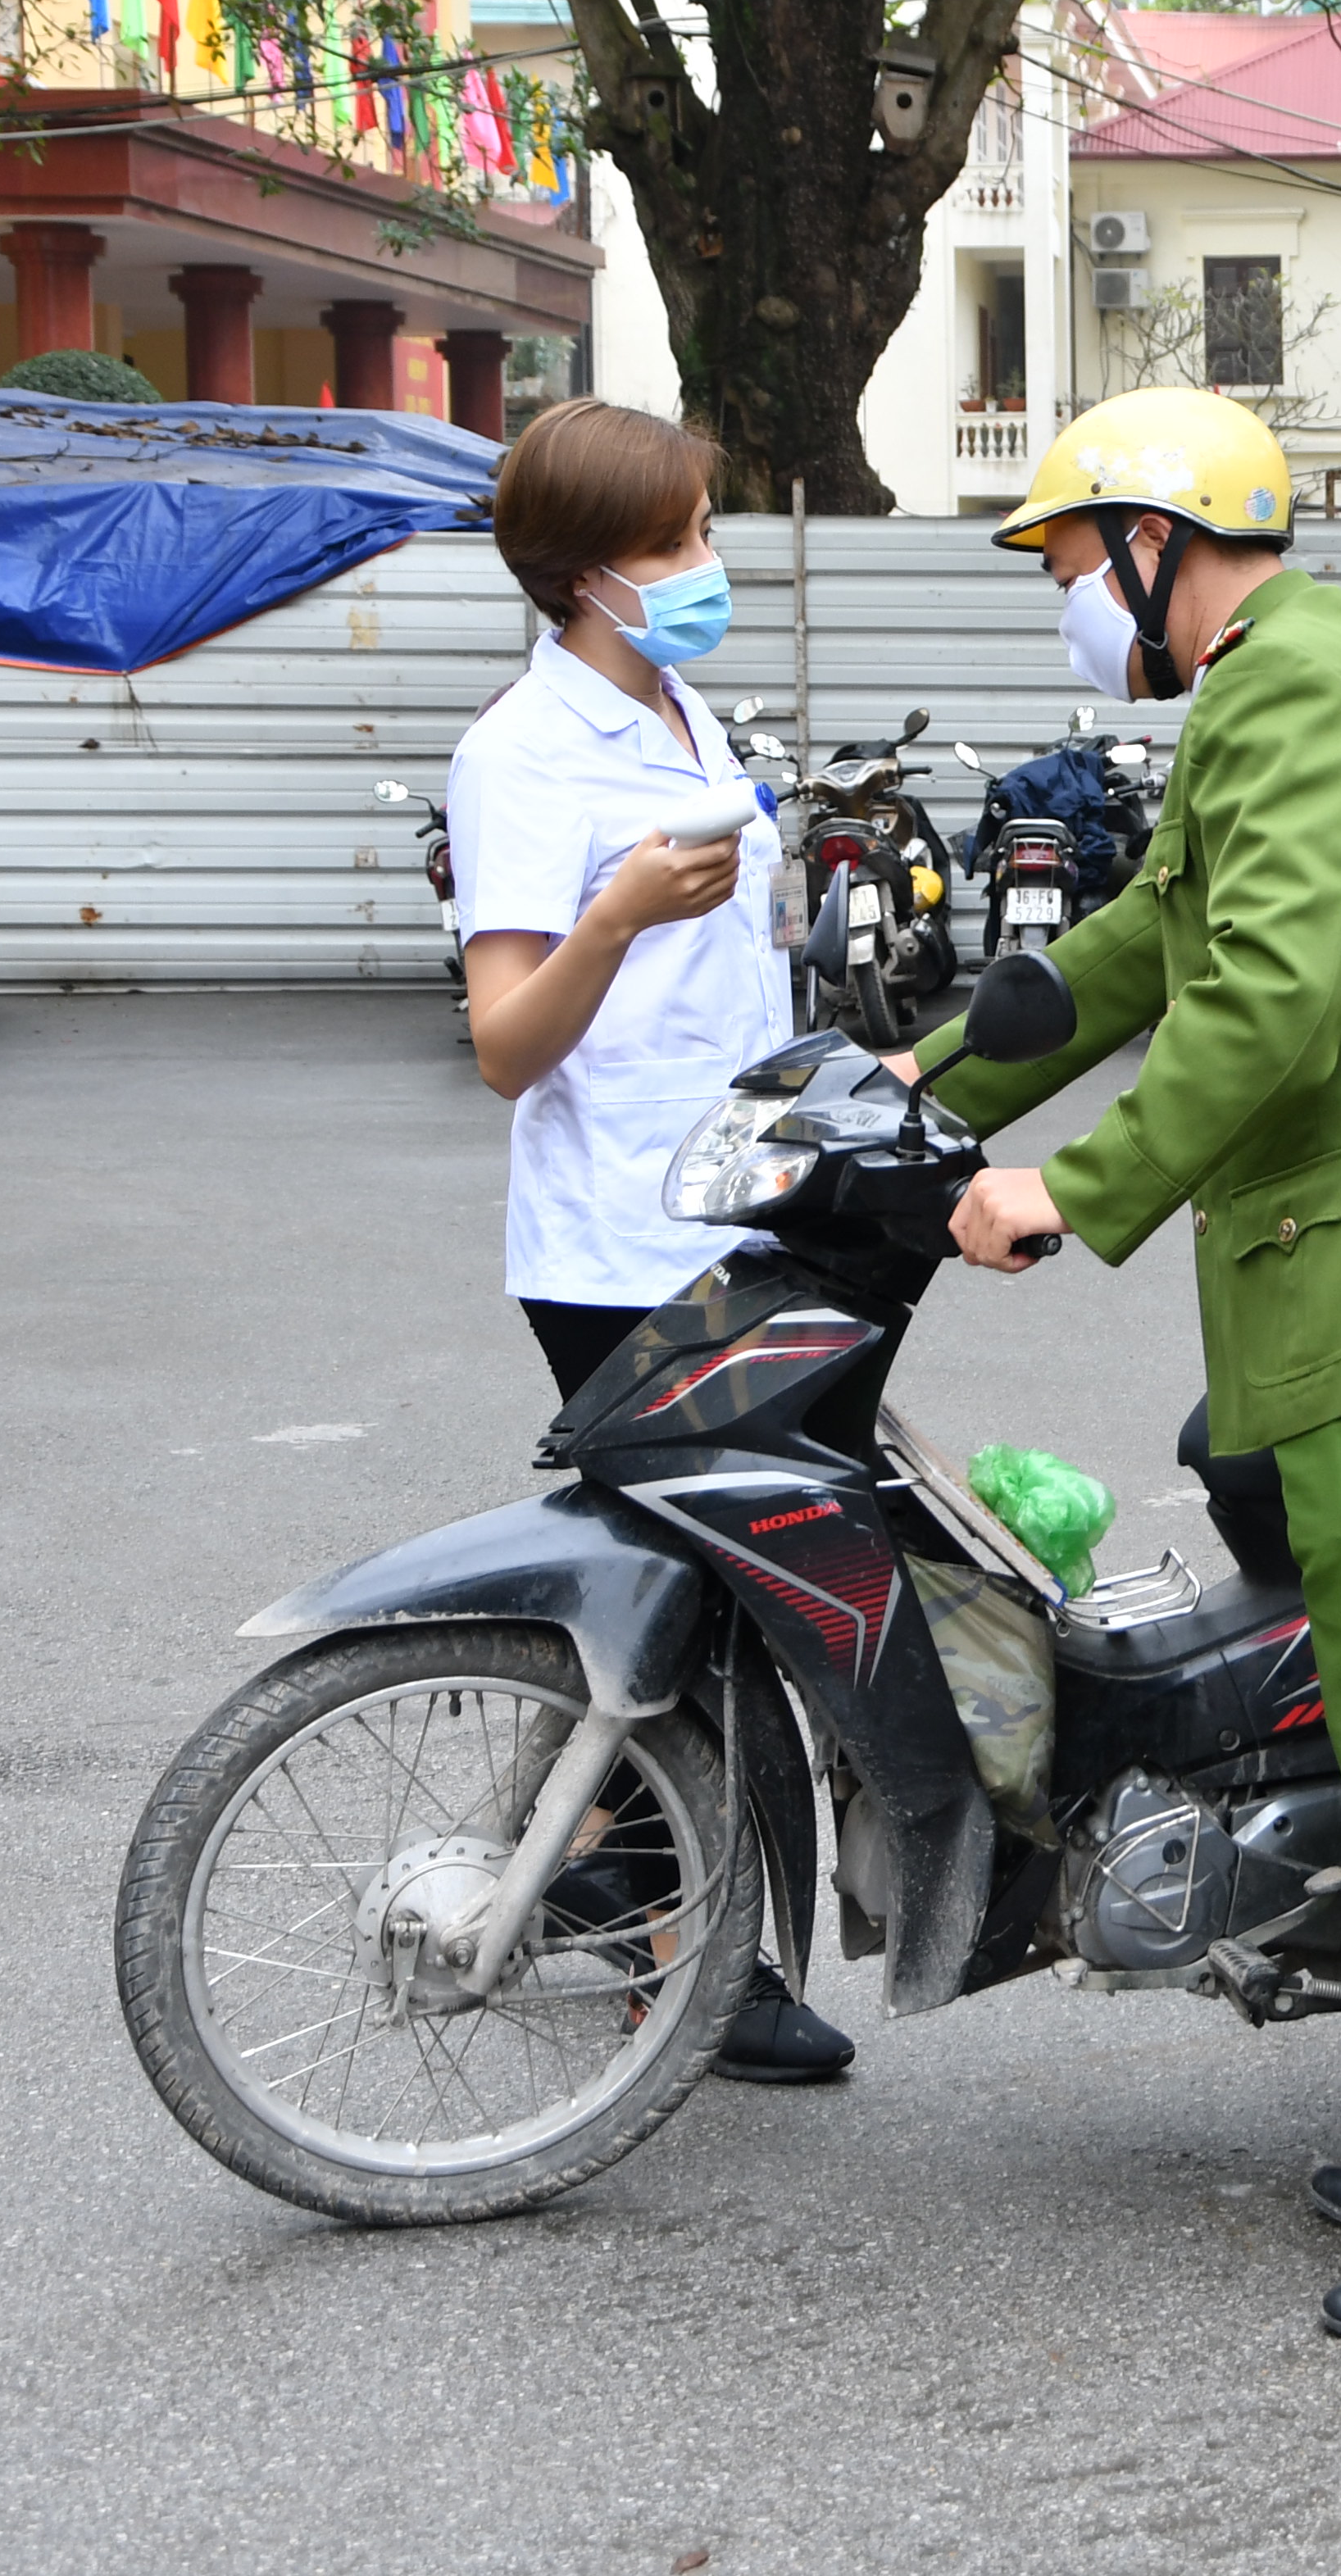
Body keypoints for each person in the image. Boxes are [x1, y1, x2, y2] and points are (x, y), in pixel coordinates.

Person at [908, 388, 1341, 2341]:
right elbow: (1148, 941)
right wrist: (919, 1086)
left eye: (1073, 562)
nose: (1069, 602)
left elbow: (1272, 1004)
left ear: (1159, 539)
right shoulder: (1282, 676)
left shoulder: (1290, 686)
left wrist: (1069, 1184)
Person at [444, 398, 852, 2088]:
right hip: (619, 1246)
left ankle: (603, 1882)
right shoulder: (518, 755)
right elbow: (504, 1046)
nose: (707, 562)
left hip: (744, 1212)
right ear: (587, 572)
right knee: (699, 1604)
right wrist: (610, 919)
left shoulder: (683, 713)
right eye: (677, 539)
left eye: (703, 529)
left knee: (727, 1599)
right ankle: (691, 1953)